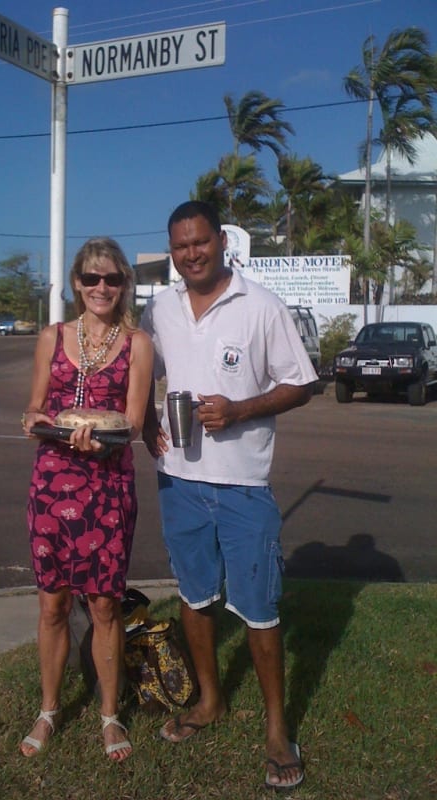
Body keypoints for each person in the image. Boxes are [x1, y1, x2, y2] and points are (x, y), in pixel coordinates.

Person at [141, 201, 317, 789]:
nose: (191, 254)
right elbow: (139, 372)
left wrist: (241, 409)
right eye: (179, 246)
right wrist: (144, 423)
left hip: (243, 483)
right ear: (172, 252)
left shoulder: (261, 306)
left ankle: (275, 727)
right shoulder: (159, 310)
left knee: (260, 608)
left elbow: (302, 384)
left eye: (199, 242)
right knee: (194, 596)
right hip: (179, 480)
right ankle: (210, 700)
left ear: (220, 242)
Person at [20, 237, 153, 762]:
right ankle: (49, 708)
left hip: (109, 485)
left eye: (112, 279)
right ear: (77, 283)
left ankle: (109, 713)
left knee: (103, 604)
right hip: (52, 483)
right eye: (92, 278)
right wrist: (35, 422)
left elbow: (135, 422)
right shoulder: (51, 337)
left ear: (124, 285)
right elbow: (34, 407)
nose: (102, 288)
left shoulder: (137, 343)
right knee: (53, 602)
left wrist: (103, 440)